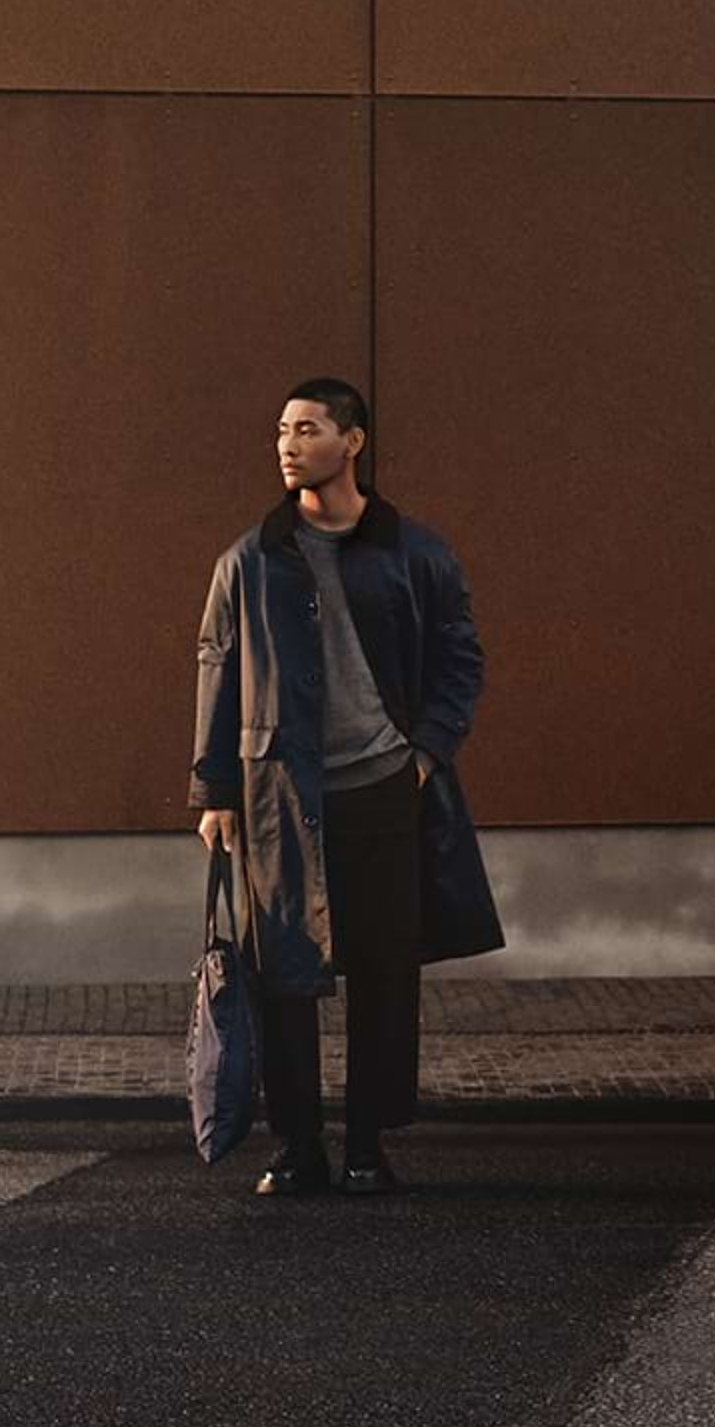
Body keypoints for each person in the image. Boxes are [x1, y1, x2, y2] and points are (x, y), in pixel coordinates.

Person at [190, 379, 505, 1196]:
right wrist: (215, 790)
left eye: (307, 429)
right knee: (282, 975)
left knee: (383, 974)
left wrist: (425, 753)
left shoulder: (414, 552)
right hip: (278, 796)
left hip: (382, 789)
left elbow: (460, 658)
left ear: (353, 441)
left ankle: (367, 1145)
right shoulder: (250, 559)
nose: (288, 446)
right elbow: (217, 672)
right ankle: (299, 1148)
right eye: (282, 431)